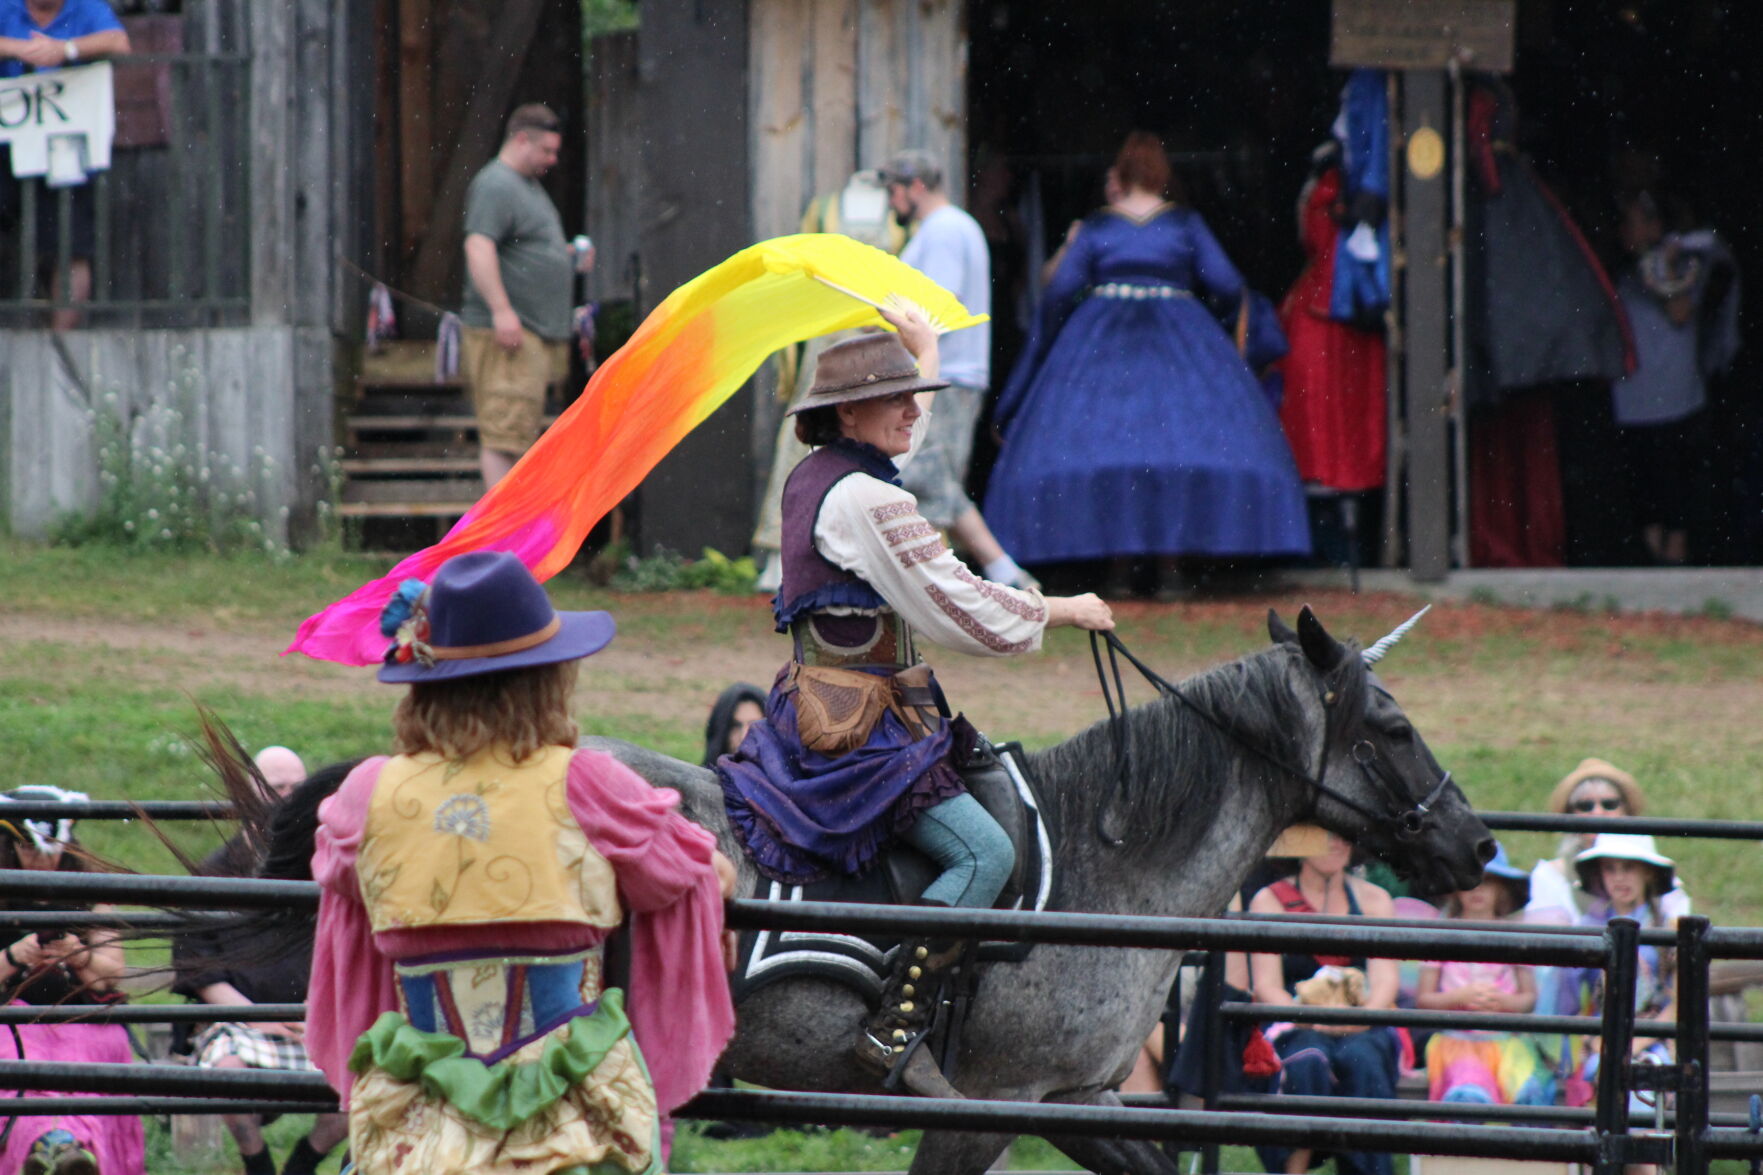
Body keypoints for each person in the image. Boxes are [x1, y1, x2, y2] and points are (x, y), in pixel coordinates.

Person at [716, 312, 1114, 1098]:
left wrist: (919, 348)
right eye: (895, 397)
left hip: (837, 704)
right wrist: (1061, 608)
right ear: (847, 414)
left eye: (913, 394)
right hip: (862, 730)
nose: (911, 408)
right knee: (985, 853)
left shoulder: (825, 474)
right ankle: (890, 1028)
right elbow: (953, 601)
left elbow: (909, 443)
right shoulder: (865, 497)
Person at [305, 549, 736, 1174]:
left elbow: (342, 889)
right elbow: (686, 873)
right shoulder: (588, 785)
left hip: (420, 1114)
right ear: (548, 680)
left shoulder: (367, 796)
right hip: (566, 1108)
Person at [983, 131, 1310, 598]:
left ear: (1122, 172)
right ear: (1162, 175)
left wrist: (1052, 336)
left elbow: (1058, 292)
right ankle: (1171, 570)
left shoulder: (1099, 226)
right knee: (1175, 451)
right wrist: (1216, 325)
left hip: (1101, 341)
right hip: (1181, 335)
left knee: (1108, 451)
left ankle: (1117, 570)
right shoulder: (1184, 224)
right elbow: (1225, 282)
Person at [174, 761, 358, 1175]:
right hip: (239, 1022)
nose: (289, 795)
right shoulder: (216, 871)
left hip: (319, 1015)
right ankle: (257, 1165)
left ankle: (303, 1163)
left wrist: (322, 1008)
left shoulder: (330, 864)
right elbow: (198, 963)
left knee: (365, 1072)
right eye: (277, 786)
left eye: (298, 785)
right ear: (253, 792)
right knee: (228, 1071)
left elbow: (350, 942)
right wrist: (253, 1017)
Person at [882, 148, 1037, 591]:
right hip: (950, 373)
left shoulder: (945, 229)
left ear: (916, 187)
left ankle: (976, 577)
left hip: (947, 374)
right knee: (934, 478)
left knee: (924, 478)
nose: (891, 202)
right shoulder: (947, 228)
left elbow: (936, 305)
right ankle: (1003, 574)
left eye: (894, 190)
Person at [0, 785, 144, 1175]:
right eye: (29, 849)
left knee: (87, 1054)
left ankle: (57, 1147)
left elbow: (111, 972)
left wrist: (76, 955)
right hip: (12, 1020)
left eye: (51, 848)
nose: (42, 859)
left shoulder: (91, 890)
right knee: (15, 1057)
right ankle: (58, 1147)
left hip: (79, 1016)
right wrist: (14, 956)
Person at [1248, 831, 1399, 1175]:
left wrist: (1361, 1018)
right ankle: (1292, 1170)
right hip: (1296, 1021)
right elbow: (1268, 986)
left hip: (1361, 1021)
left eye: (1345, 836)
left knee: (1363, 1063)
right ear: (1299, 843)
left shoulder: (1375, 900)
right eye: (1327, 836)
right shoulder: (1270, 901)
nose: (1339, 843)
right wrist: (1311, 1019)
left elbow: (1385, 979)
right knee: (1307, 1061)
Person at [460, 103, 593, 490]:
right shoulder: (496, 184)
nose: (553, 160)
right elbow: (478, 247)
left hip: (530, 335)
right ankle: (501, 542)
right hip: (509, 336)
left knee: (519, 435)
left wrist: (565, 259)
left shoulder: (526, 187)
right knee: (505, 436)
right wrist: (502, 311)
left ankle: (511, 539)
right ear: (521, 140)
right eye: (547, 151)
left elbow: (523, 250)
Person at [1609, 192, 1741, 565]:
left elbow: (1680, 312)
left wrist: (1664, 264)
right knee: (1645, 503)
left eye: (1633, 222)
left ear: (1654, 226)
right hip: (1634, 402)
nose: (1624, 231)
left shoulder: (1687, 264)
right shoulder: (1621, 268)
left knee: (1677, 503)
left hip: (1677, 401)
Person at [0, 0, 131, 331]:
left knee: (70, 244)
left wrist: (65, 49)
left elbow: (119, 42)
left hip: (64, 145)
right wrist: (19, 49)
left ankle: (61, 345)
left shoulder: (85, 8)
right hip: (7, 141)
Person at [1559, 833, 1682, 1151]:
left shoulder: (1667, 929)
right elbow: (1569, 1001)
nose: (1619, 878)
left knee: (1642, 1084)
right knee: (1598, 1089)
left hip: (1653, 1039)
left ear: (1648, 874)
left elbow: (1679, 1004)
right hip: (1599, 1037)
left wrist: (1638, 1041)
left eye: (1629, 868)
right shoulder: (1588, 928)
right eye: (1610, 869)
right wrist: (1590, 1037)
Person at [1416, 843, 1553, 1107]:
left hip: (1505, 1043)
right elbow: (1424, 999)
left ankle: (1518, 1148)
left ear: (1502, 889)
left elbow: (1529, 999)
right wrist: (1459, 997)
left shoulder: (1515, 936)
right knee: (1469, 1096)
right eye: (1468, 881)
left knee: (1529, 1092)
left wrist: (1504, 1003)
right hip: (1456, 1043)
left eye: (1486, 882)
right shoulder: (1441, 935)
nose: (1477, 889)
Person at [1526, 758, 1689, 923]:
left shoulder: (1665, 882)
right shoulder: (1549, 877)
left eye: (1609, 804)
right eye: (1585, 806)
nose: (1597, 813)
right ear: (1570, 814)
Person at [702, 682, 766, 769]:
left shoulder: (787, 780)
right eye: (735, 726)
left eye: (754, 726)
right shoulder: (697, 780)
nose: (743, 736)